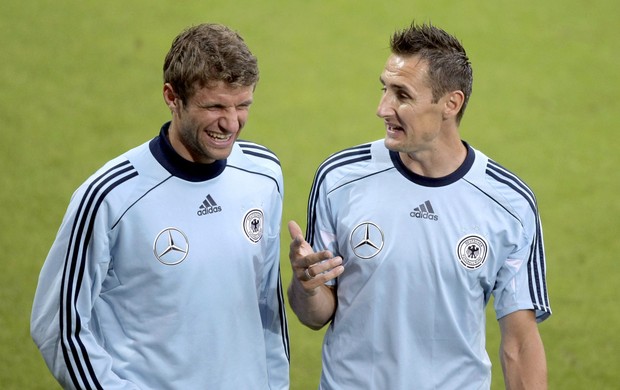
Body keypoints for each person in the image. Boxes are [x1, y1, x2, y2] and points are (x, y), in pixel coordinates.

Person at [287, 22, 550, 390]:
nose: (382, 108)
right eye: (384, 89)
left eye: (402, 95)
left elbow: (520, 344)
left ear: (450, 104)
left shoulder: (509, 204)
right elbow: (315, 316)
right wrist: (307, 286)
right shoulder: (339, 179)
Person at [31, 23, 289, 389]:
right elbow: (58, 325)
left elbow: (266, 304)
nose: (231, 123)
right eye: (214, 105)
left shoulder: (264, 174)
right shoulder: (110, 196)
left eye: (242, 105)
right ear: (172, 97)